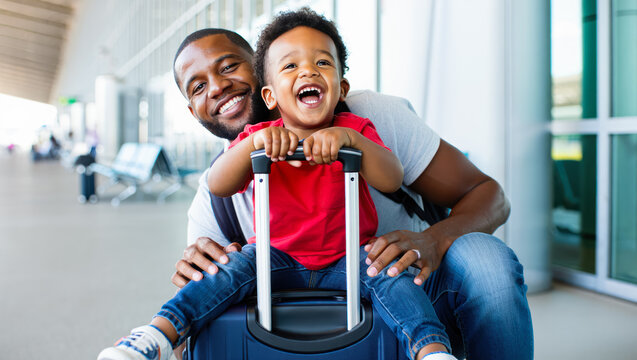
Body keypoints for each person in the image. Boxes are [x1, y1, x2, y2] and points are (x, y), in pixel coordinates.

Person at [171, 10, 533, 360]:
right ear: (192, 109)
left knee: (488, 261)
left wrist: (433, 241)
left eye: (230, 66)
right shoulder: (216, 188)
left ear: (259, 65)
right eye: (198, 86)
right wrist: (192, 280)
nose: (217, 87)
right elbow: (197, 320)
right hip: (297, 328)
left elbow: (491, 197)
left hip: (406, 291)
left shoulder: (368, 119)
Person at [98, 10, 455, 360]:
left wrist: (353, 142)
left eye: (322, 64)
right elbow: (219, 184)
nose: (308, 71)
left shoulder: (357, 127)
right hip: (275, 255)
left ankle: (432, 350)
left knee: (394, 280)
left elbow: (390, 176)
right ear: (269, 94)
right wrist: (255, 146)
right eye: (290, 66)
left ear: (341, 87)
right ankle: (156, 334)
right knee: (228, 270)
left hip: (350, 254)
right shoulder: (257, 137)